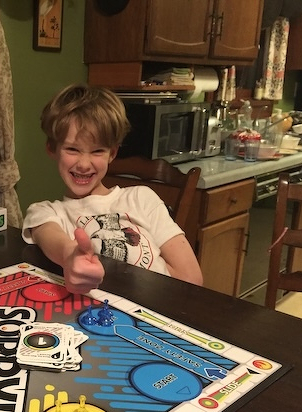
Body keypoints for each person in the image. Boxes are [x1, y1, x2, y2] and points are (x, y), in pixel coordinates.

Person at [22, 84, 203, 294]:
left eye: (97, 151)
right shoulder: (46, 212)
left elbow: (191, 279)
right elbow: (52, 238)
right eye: (72, 149)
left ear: (112, 153)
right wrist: (69, 255)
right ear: (52, 149)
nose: (84, 164)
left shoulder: (142, 198)